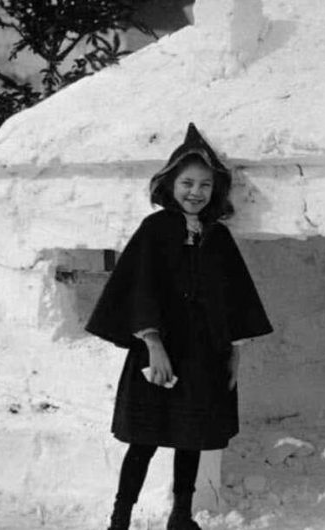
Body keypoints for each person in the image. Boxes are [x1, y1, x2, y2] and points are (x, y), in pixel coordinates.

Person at [85, 123, 273, 530]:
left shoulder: (217, 237)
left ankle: (181, 516)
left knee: (191, 436)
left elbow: (233, 299)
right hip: (160, 353)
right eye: (187, 182)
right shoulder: (154, 232)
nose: (196, 192)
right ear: (170, 184)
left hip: (205, 354)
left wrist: (233, 353)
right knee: (145, 440)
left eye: (205, 185)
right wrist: (153, 345)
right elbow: (140, 289)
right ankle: (120, 519)